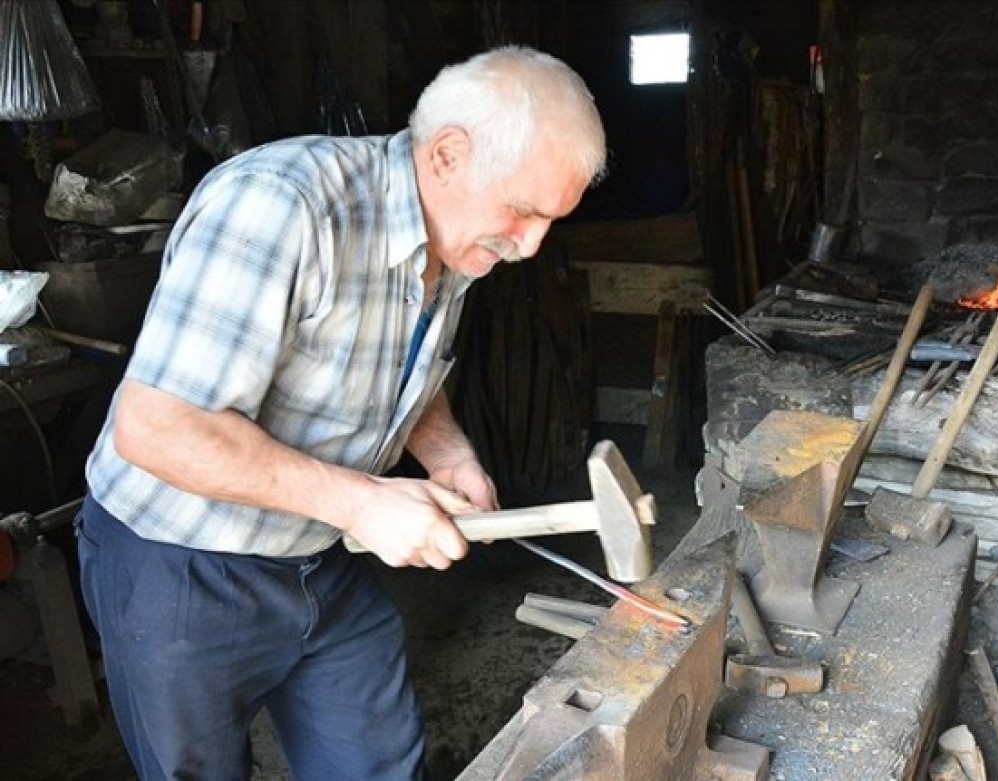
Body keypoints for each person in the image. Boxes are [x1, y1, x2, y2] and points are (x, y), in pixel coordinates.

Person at [75, 46, 606, 780]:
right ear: (448, 155)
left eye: (551, 219)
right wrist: (363, 502)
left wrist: (445, 448)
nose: (532, 244)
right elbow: (157, 426)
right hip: (179, 561)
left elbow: (391, 357)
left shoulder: (456, 237)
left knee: (379, 762)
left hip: (318, 552)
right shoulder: (281, 204)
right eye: (523, 211)